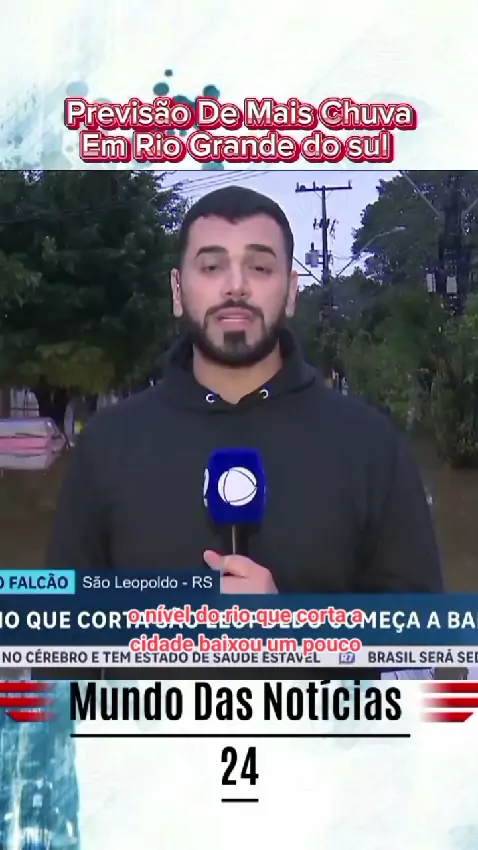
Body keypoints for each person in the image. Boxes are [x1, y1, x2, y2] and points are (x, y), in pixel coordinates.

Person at [43, 185, 443, 681]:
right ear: (177, 290)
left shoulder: (372, 446)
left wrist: (297, 636)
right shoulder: (107, 445)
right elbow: (58, 654)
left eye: (259, 267)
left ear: (291, 290)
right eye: (212, 266)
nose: (236, 286)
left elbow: (421, 660)